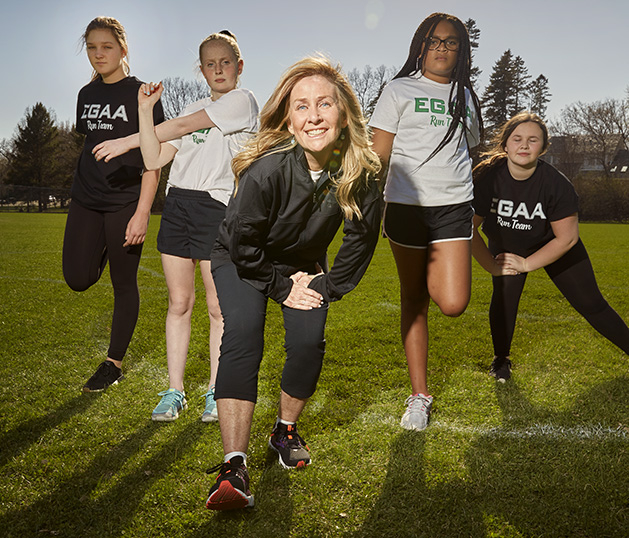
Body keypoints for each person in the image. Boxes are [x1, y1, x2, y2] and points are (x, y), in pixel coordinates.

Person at [204, 57, 382, 511]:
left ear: (343, 114)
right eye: (301, 106)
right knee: (243, 334)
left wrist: (328, 287)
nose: (314, 115)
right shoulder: (266, 170)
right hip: (242, 260)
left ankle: (284, 431)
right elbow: (243, 244)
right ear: (289, 117)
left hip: (303, 265)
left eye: (324, 104)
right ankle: (234, 466)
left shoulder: (360, 171)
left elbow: (361, 241)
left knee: (308, 342)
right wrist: (280, 287)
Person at [131, 31, 258, 422]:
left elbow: (167, 135)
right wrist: (145, 111)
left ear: (239, 66)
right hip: (179, 205)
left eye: (225, 62)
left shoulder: (242, 101)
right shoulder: (192, 106)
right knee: (179, 303)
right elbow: (154, 157)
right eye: (209, 63)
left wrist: (124, 141)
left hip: (216, 207)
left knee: (218, 307)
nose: (218, 69)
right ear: (200, 69)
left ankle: (215, 392)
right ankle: (175, 390)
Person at [369, 13, 483, 431]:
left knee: (452, 303)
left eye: (451, 42)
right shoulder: (398, 89)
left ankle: (436, 278)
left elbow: (466, 151)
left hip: (453, 206)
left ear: (461, 51)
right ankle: (419, 395)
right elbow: (380, 153)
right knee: (413, 298)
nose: (441, 48)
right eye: (434, 40)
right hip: (405, 206)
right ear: (420, 45)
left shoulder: (466, 96)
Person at [472, 112, 629, 381]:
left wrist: (527, 264)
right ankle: (501, 360)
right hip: (508, 244)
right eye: (517, 139)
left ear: (543, 148)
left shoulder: (556, 184)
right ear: (505, 144)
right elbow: (468, 228)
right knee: (505, 298)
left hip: (551, 244)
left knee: (591, 303)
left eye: (533, 140)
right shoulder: (488, 177)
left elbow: (566, 238)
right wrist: (492, 266)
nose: (524, 145)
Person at [63, 16, 164, 393]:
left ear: (124, 49)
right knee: (77, 277)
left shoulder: (143, 94)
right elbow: (89, 145)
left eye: (106, 46)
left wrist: (142, 213)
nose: (98, 54)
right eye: (91, 47)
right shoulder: (85, 95)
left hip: (125, 201)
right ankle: (104, 245)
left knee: (124, 283)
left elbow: (153, 160)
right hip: (86, 198)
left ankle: (113, 363)